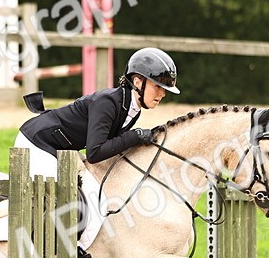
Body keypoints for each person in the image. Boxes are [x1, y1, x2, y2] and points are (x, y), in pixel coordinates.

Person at [16, 47, 179, 178]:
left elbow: (112, 145)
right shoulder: (107, 103)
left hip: (59, 148)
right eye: (158, 86)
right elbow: (94, 153)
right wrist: (135, 136)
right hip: (37, 142)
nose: (163, 94)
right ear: (138, 82)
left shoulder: (133, 109)